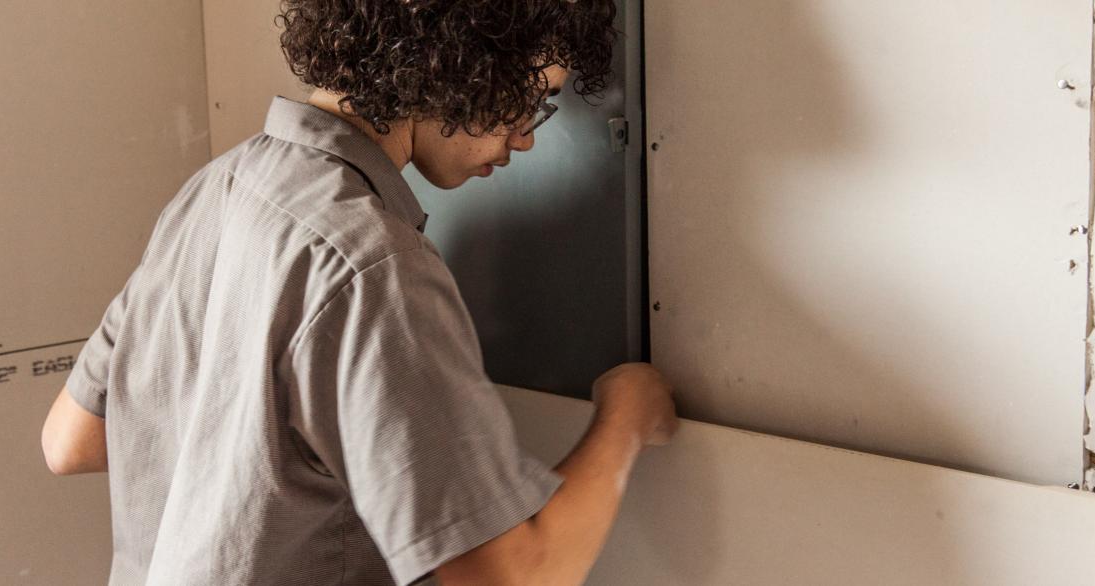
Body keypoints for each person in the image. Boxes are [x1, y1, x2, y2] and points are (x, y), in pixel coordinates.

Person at [40, 0, 679, 584]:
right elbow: (511, 577)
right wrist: (624, 419)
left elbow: (72, 441)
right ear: (456, 58)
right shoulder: (374, 264)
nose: (526, 136)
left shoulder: (214, 190)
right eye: (531, 96)